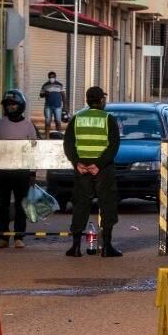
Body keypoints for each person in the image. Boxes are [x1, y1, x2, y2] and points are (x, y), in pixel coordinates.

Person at [63, 86, 122, 258]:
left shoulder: (77, 119)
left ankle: (75, 247)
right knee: (108, 205)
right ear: (101, 100)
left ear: (87, 101)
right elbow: (113, 145)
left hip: (82, 170)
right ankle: (107, 247)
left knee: (80, 205)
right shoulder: (108, 119)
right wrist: (99, 164)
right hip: (103, 170)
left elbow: (68, 144)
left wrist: (77, 163)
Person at [0, 89, 39, 248]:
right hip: (3, 172)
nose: (11, 108)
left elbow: (34, 150)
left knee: (20, 205)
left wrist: (32, 172)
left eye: (14, 105)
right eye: (8, 105)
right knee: (2, 206)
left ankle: (19, 237)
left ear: (21, 106)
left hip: (22, 173)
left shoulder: (28, 126)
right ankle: (3, 237)